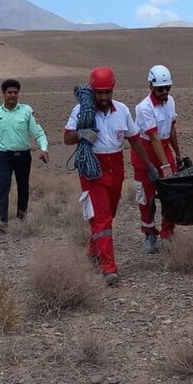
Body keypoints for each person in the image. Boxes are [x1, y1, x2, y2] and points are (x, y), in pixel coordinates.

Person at [64, 66, 157, 287]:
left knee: (108, 214)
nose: (104, 97)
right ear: (93, 91)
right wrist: (80, 133)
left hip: (115, 168)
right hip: (92, 169)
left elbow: (134, 139)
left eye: (107, 92)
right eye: (99, 92)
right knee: (102, 218)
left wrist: (149, 165)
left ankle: (92, 252)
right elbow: (67, 138)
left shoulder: (122, 111)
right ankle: (109, 268)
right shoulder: (81, 111)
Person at [0, 79, 49, 232]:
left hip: (23, 156)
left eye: (15, 92)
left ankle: (21, 217)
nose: (12, 95)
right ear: (3, 94)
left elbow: (39, 132)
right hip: (4, 156)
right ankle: (4, 221)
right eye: (9, 92)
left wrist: (43, 148)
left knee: (23, 186)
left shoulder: (27, 111)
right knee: (4, 185)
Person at [131, 64, 183, 253]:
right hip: (145, 153)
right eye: (160, 89)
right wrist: (165, 165)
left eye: (167, 88)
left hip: (165, 148)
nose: (164, 92)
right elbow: (153, 138)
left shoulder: (170, 102)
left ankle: (167, 233)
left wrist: (177, 155)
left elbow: (171, 128)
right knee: (147, 197)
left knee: (171, 195)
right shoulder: (143, 108)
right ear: (151, 86)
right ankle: (149, 232)